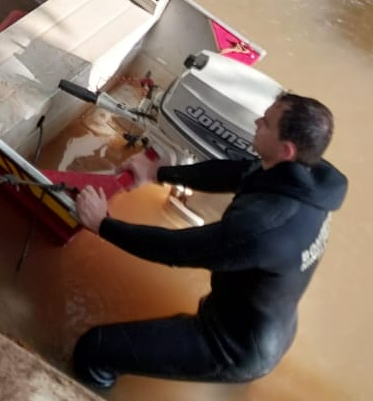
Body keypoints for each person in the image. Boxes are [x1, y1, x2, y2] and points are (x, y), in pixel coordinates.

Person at [72, 92, 347, 392]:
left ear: (287, 150)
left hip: (230, 346)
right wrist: (157, 173)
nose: (257, 121)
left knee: (94, 349)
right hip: (267, 324)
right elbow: (238, 172)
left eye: (266, 123)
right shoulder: (310, 179)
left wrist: (103, 224)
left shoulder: (264, 227)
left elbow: (179, 249)